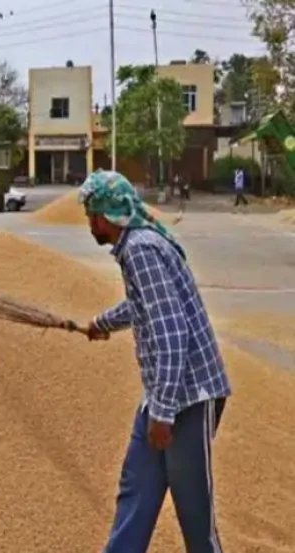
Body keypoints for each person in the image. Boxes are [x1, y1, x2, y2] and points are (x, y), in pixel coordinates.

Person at [79, 170, 231, 553]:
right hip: (164, 393)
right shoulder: (137, 244)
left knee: (195, 516)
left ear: (106, 216)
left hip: (189, 397)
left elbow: (171, 333)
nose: (89, 223)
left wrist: (162, 413)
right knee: (136, 493)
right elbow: (146, 306)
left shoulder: (140, 250)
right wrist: (103, 323)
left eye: (91, 215)